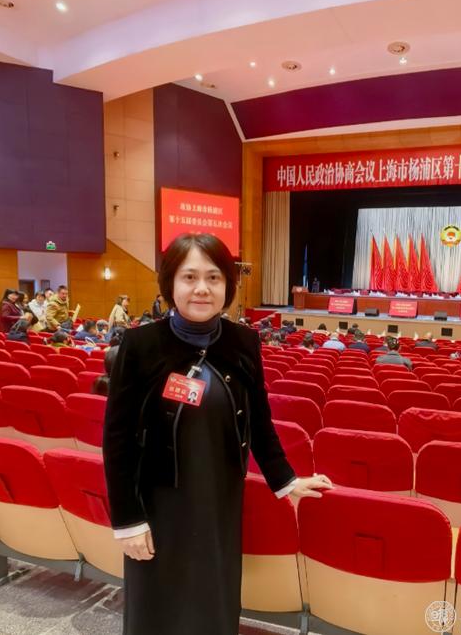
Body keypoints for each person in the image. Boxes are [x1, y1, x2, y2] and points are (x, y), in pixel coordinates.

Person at [102, 233, 332, 635]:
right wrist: (128, 521)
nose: (202, 288)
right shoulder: (140, 345)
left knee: (214, 600)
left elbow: (259, 420)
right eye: (189, 277)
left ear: (227, 284)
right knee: (158, 608)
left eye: (213, 277)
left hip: (220, 502)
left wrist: (286, 480)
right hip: (159, 504)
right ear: (170, 284)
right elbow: (117, 439)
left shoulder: (243, 341)